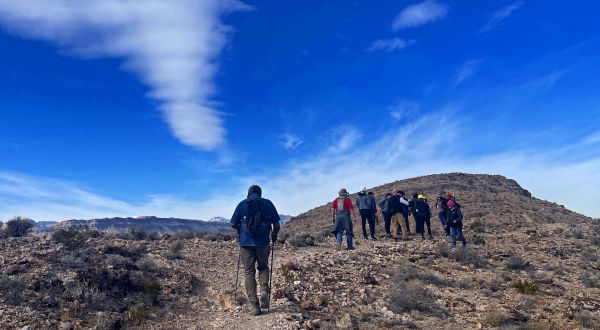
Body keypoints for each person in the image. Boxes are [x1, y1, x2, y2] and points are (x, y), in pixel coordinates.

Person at [230, 185, 281, 316]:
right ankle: (264, 289)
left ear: (249, 193)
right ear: (260, 193)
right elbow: (276, 225)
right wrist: (274, 235)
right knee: (263, 267)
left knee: (249, 272)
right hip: (263, 242)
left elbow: (233, 223)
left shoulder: (243, 204)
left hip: (245, 243)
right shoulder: (268, 203)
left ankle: (254, 306)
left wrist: (240, 231)